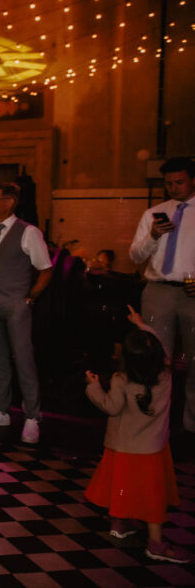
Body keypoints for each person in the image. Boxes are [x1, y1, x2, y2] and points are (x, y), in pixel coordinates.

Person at [84, 307, 190, 563]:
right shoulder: (165, 376)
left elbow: (110, 406)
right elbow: (161, 352)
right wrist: (143, 325)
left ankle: (119, 524)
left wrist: (94, 387)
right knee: (153, 494)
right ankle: (155, 541)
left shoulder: (122, 380)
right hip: (152, 449)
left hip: (122, 446)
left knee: (121, 486)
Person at [0, 182, 52, 444]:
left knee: (24, 358)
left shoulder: (29, 233)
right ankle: (1, 410)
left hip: (16, 304)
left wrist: (29, 298)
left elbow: (45, 270)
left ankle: (32, 416)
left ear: (10, 202)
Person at [129, 156, 195, 433]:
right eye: (168, 183)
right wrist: (153, 236)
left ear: (193, 179)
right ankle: (155, 422)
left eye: (179, 182)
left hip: (191, 292)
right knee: (156, 359)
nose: (173, 188)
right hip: (158, 290)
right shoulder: (154, 213)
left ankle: (192, 425)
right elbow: (134, 256)